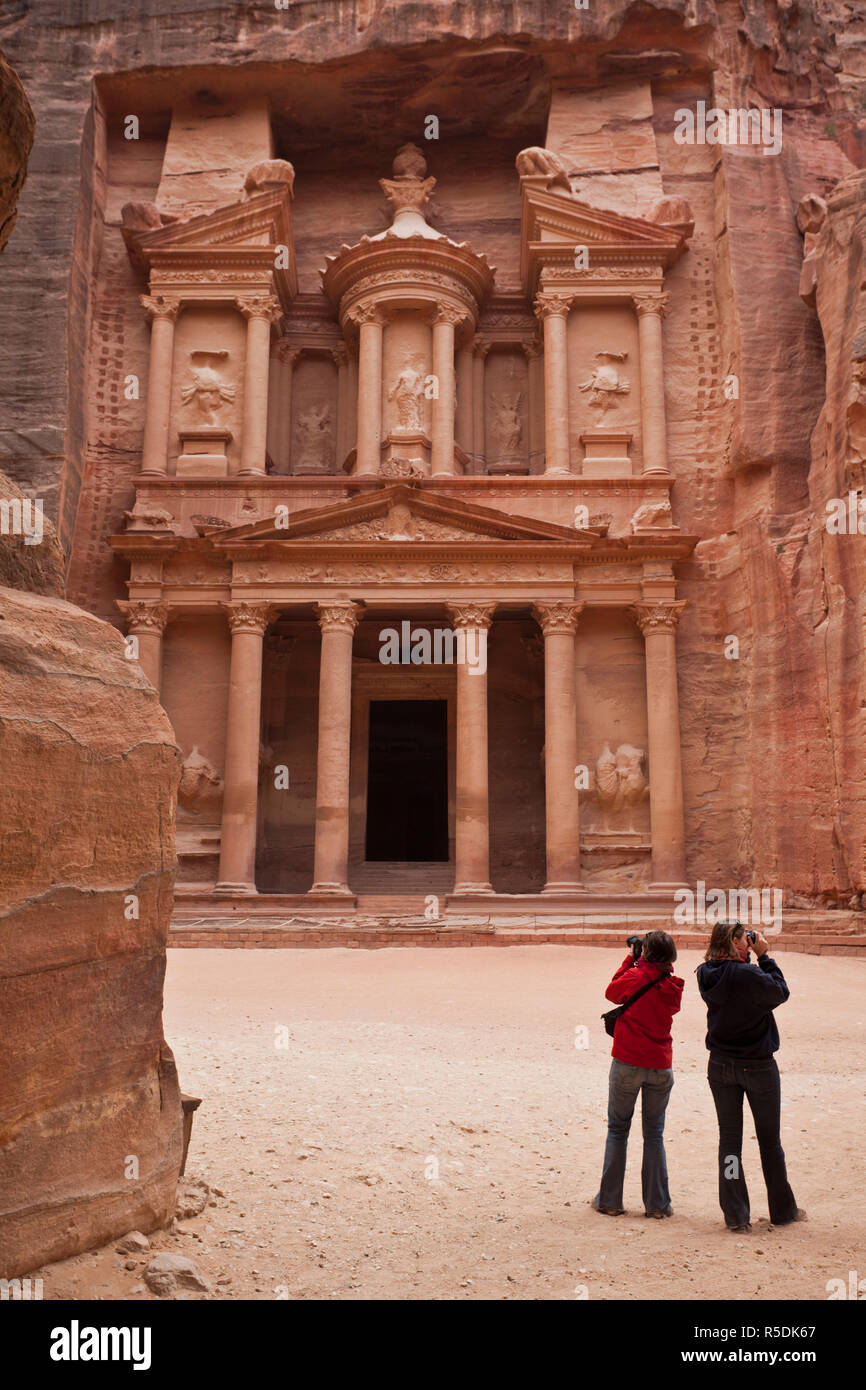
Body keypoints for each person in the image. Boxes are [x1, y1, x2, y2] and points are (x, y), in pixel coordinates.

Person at [697, 920, 806, 1233]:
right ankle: (783, 1212)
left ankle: (736, 1215)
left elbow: (732, 982)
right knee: (769, 1141)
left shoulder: (706, 973)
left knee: (730, 1143)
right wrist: (765, 955)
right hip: (757, 1065)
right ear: (734, 942)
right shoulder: (748, 974)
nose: (750, 941)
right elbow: (780, 991)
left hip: (720, 1066)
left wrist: (746, 955)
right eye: (745, 938)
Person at [593, 930, 683, 1218]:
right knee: (654, 1133)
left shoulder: (634, 977)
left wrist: (630, 960)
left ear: (646, 952)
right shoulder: (674, 984)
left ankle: (609, 1200)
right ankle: (657, 1205)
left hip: (628, 1062)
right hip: (660, 1065)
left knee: (618, 1130)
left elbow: (611, 992)